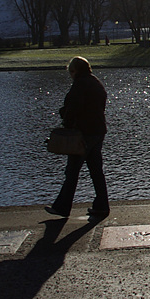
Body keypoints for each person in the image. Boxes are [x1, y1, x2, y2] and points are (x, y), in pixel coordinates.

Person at [46, 56, 110, 218]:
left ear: (75, 71)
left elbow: (73, 108)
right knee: (96, 171)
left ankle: (62, 207)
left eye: (71, 72)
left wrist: (66, 121)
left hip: (83, 133)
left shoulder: (80, 84)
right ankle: (102, 205)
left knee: (72, 171)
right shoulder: (96, 83)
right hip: (98, 131)